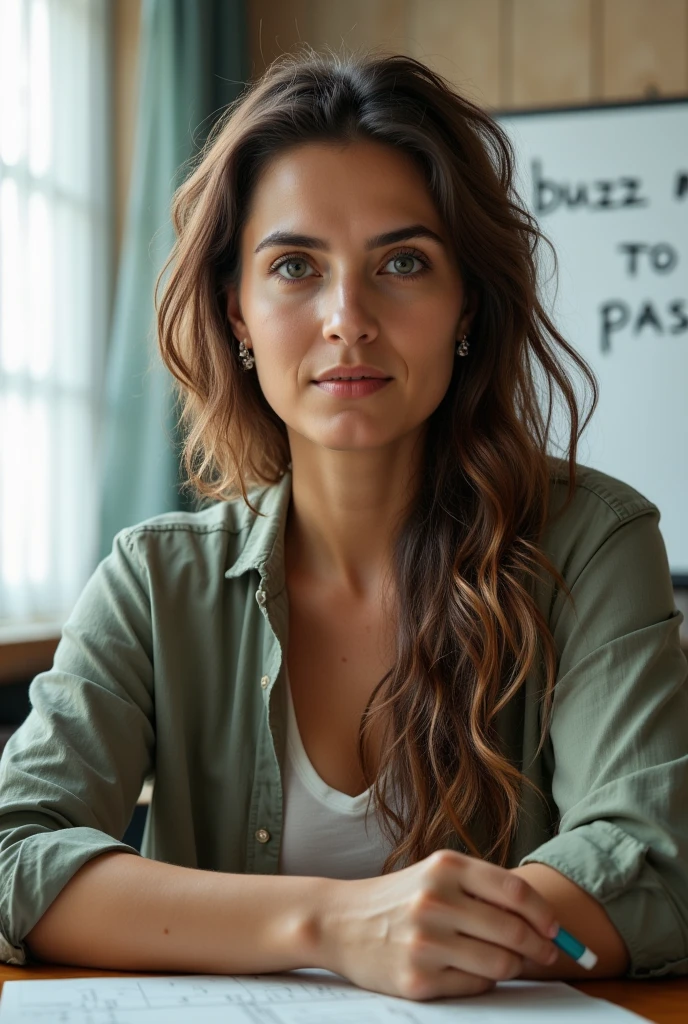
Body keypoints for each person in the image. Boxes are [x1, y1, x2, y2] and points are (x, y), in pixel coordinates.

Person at [1, 46, 687, 1002]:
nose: (347, 318)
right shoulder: (154, 581)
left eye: (403, 262)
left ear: (468, 307)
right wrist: (333, 923)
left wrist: (454, 934)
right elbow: (12, 849)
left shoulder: (595, 545)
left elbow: (653, 868)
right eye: (294, 266)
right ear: (235, 311)